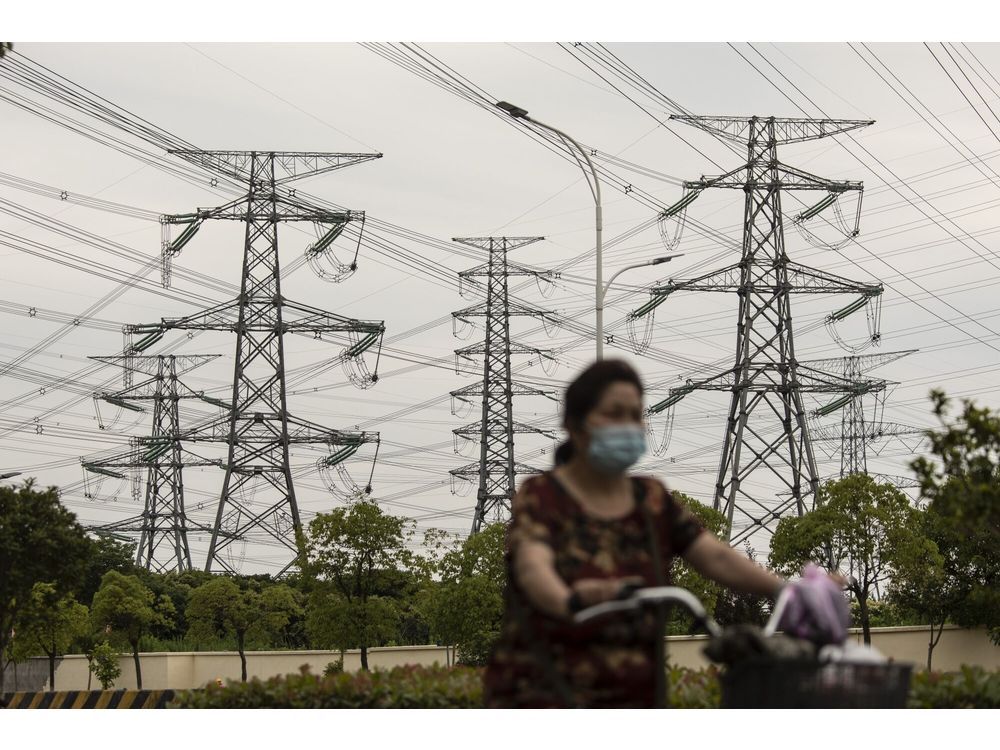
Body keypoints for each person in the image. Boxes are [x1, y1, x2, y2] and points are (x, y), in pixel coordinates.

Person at [482, 359, 846, 708]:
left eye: (635, 415)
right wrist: (571, 600)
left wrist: (789, 591)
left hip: (637, 700)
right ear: (576, 424)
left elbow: (714, 556)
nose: (627, 425)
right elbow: (533, 566)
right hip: (543, 697)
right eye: (613, 414)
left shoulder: (651, 499)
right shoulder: (541, 496)